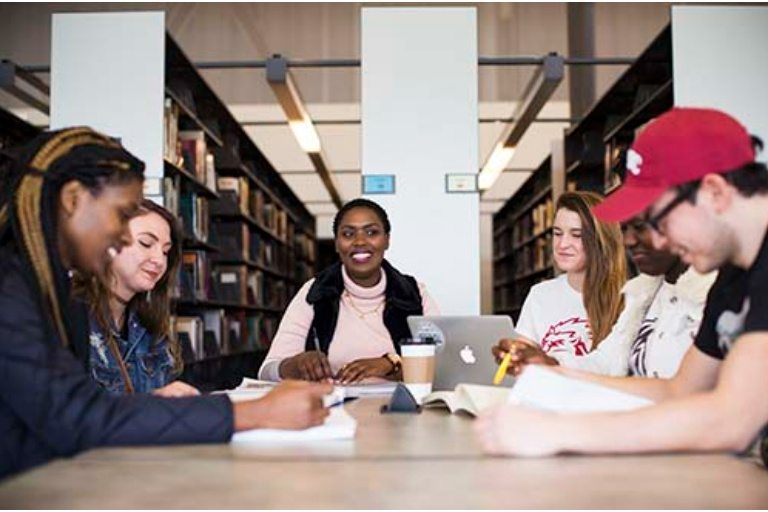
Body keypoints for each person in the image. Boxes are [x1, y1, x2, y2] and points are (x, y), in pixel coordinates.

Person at [0, 127, 331, 479]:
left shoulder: (40, 289)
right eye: (121, 214)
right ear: (72, 199)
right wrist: (255, 413)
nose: (122, 234)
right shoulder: (10, 289)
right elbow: (77, 417)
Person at [475, 107, 768, 458]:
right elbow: (680, 390)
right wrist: (555, 375)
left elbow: (731, 420)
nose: (656, 242)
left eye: (657, 220)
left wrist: (559, 432)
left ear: (715, 193)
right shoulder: (734, 275)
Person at [494, 215, 717, 378]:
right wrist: (550, 363)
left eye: (640, 226)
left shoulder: (716, 298)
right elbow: (608, 363)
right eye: (625, 228)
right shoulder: (644, 295)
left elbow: (687, 394)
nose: (628, 240)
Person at [259, 198, 440, 384]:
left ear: (387, 240)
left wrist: (391, 363)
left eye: (371, 232)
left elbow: (442, 364)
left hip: (401, 408)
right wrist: (297, 364)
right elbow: (267, 371)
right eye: (348, 234)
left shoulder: (415, 293)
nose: (360, 241)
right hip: (330, 408)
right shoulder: (314, 292)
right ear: (337, 244)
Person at [75, 199, 198, 397]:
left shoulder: (152, 329)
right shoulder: (68, 320)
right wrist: (152, 404)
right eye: (146, 243)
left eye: (166, 251)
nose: (159, 260)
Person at [514, 191, 626, 359]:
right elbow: (522, 362)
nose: (562, 244)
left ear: (600, 240)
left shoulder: (628, 299)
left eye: (576, 235)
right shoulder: (540, 295)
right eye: (558, 233)